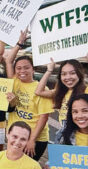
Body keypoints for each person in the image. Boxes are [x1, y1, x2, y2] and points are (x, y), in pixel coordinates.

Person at [35, 51, 88, 129]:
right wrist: (49, 71)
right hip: (66, 134)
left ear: (79, 74)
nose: (68, 77)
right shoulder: (59, 92)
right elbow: (39, 91)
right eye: (64, 74)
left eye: (72, 73)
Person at [5, 32, 53, 162]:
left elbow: (44, 117)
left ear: (33, 69)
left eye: (26, 68)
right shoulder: (14, 81)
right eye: (19, 68)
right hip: (16, 136)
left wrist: (32, 140)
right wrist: (20, 43)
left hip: (35, 138)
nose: (22, 71)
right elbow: (8, 60)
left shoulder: (41, 89)